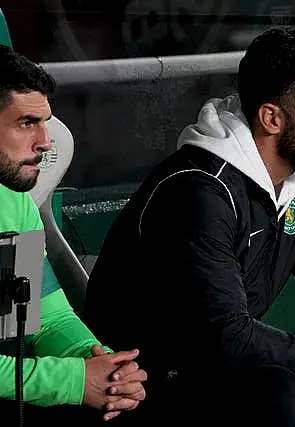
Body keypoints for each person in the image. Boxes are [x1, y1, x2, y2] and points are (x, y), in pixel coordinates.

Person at [83, 28, 295, 426]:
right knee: (275, 392)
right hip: (143, 390)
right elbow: (228, 337)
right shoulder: (200, 192)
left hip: (218, 373)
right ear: (272, 117)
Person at [0, 44, 147, 426]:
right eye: (25, 123)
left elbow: (47, 319)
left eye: (44, 122)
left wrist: (98, 363)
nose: (45, 142)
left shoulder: (16, 205)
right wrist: (75, 381)